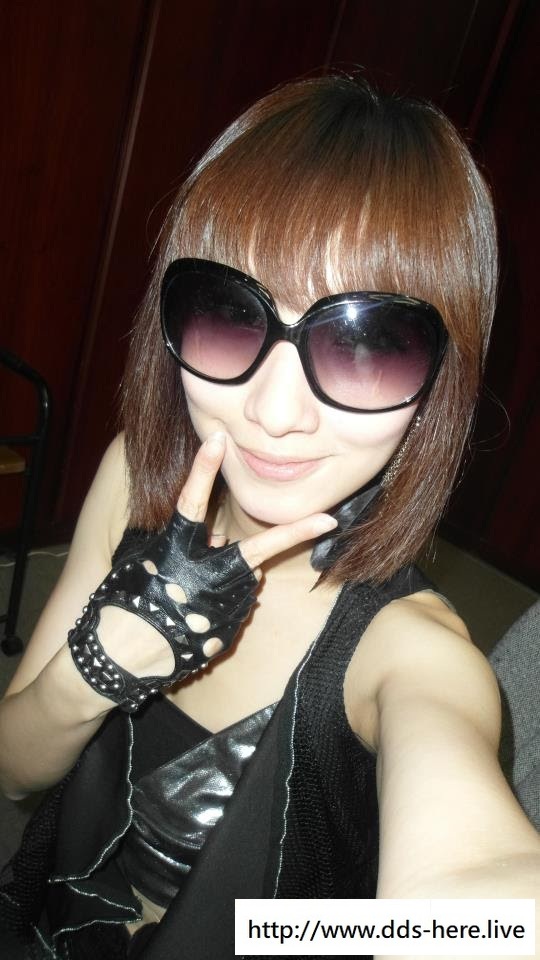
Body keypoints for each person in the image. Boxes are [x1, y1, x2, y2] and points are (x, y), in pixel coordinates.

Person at [0, 74, 538, 960]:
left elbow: (481, 891)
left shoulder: (410, 655)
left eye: (365, 345)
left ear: (437, 383)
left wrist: (284, 935)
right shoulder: (135, 474)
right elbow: (16, 772)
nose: (273, 411)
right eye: (230, 317)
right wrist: (101, 665)